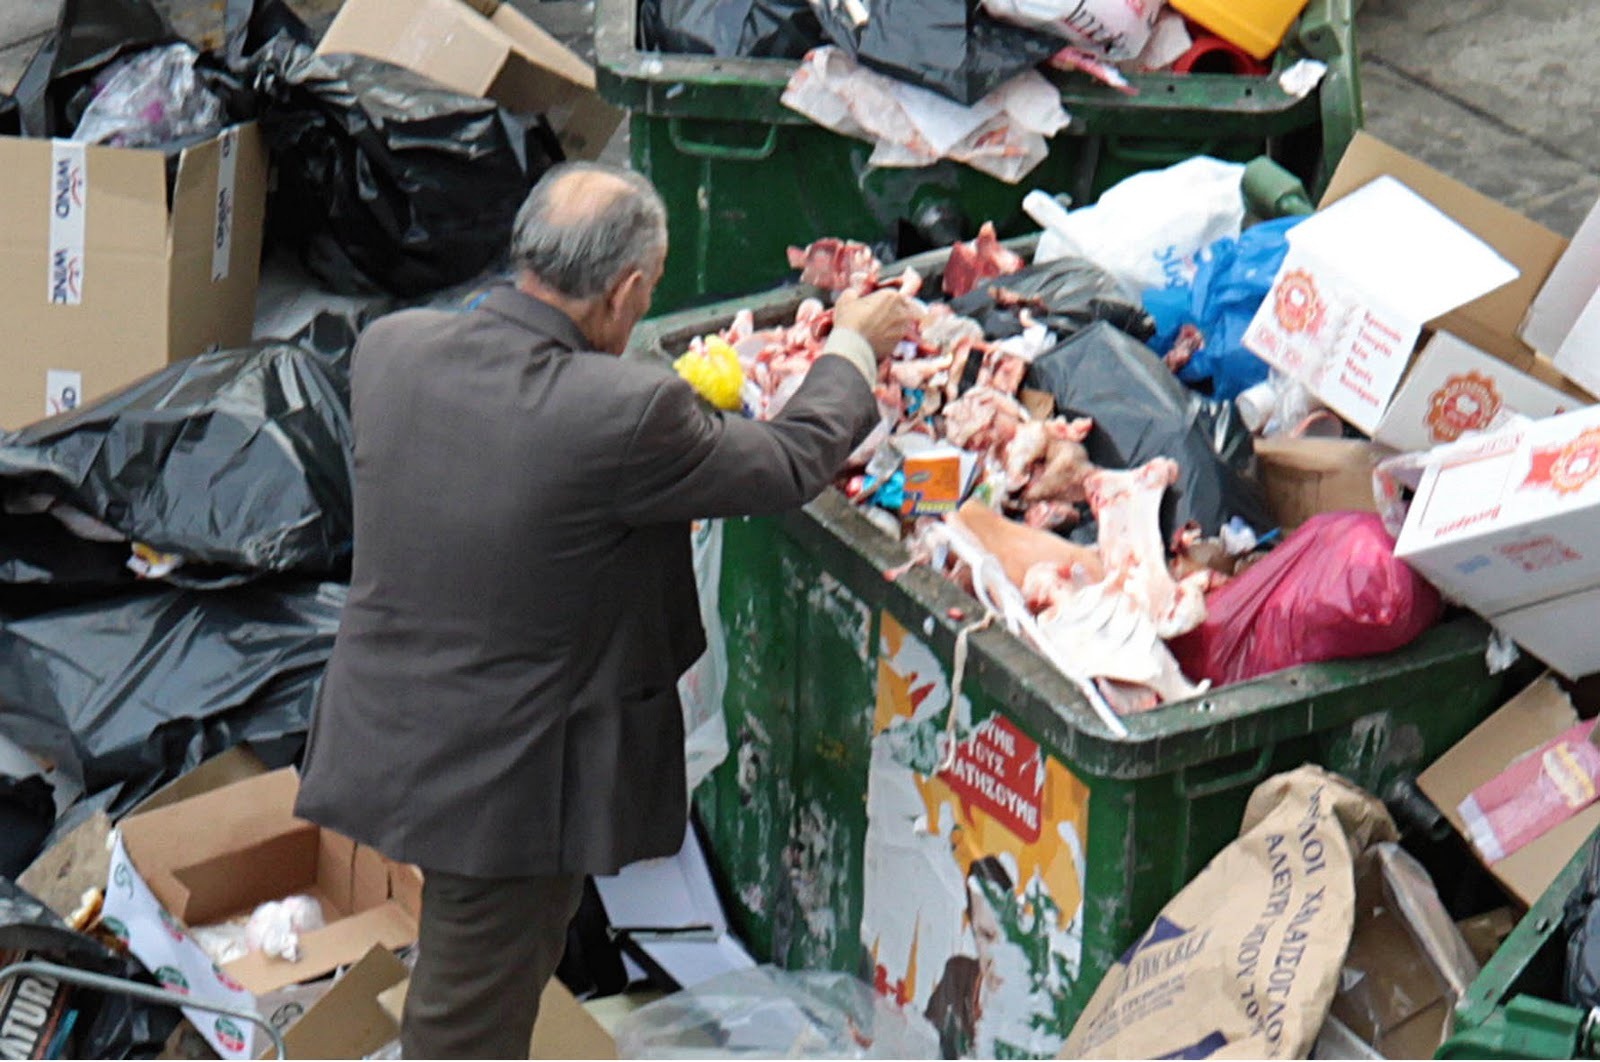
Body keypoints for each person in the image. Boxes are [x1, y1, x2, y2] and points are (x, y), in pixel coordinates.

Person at [292, 161, 912, 1058]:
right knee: (465, 1020)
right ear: (626, 292)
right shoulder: (624, 410)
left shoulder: (394, 350)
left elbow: (524, 468)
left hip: (390, 734)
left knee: (477, 967)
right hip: (501, 789)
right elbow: (786, 464)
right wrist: (851, 346)